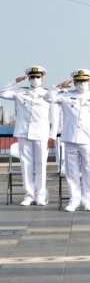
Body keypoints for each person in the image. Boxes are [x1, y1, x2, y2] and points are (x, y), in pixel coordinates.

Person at [44, 69, 90, 212]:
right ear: (74, 82)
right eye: (79, 81)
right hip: (70, 138)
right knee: (71, 172)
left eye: (84, 81)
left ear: (89, 82)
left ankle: (89, 201)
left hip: (88, 139)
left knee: (89, 171)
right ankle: (74, 200)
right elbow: (47, 97)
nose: (82, 84)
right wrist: (60, 86)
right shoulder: (66, 96)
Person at [0, 66, 55, 206]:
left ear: (42, 78)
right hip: (24, 132)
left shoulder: (48, 94)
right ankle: (29, 195)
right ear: (29, 78)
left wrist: (52, 135)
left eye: (38, 77)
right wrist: (15, 81)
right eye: (32, 77)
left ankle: (40, 195)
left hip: (42, 133)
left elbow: (55, 117)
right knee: (26, 165)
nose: (35, 80)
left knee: (41, 164)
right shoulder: (20, 91)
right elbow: (2, 93)